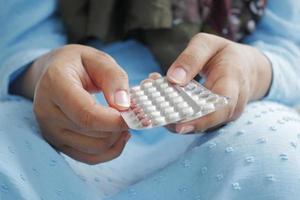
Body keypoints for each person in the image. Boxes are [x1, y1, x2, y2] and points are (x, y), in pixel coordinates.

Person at [0, 0, 300, 199]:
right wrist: (44, 72)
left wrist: (252, 69)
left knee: (282, 161)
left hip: (232, 118)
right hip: (70, 111)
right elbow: (18, 40)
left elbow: (288, 48)